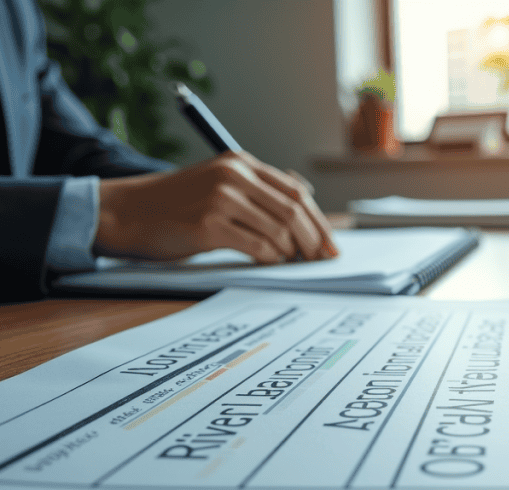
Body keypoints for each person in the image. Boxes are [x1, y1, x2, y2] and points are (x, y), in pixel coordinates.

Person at [0, 0, 339, 302]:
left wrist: (202, 198)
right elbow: (112, 201)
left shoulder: (16, 9)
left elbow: (76, 148)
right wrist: (109, 213)